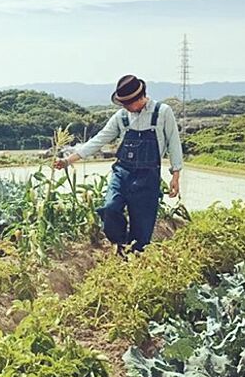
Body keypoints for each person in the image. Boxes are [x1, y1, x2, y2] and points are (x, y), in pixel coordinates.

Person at [54, 74, 183, 253]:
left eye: (128, 103)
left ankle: (133, 257)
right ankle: (121, 245)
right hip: (122, 173)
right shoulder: (121, 117)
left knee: (142, 232)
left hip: (148, 177)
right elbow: (98, 140)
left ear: (140, 97)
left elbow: (174, 144)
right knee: (110, 209)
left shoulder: (162, 112)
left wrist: (175, 176)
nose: (125, 107)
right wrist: (68, 160)